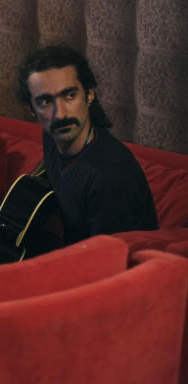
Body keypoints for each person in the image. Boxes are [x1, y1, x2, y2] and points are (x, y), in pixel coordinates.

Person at [17, 45, 157, 245]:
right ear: (31, 109)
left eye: (70, 95)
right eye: (45, 102)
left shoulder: (110, 177)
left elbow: (110, 262)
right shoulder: (52, 135)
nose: (60, 114)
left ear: (89, 94)